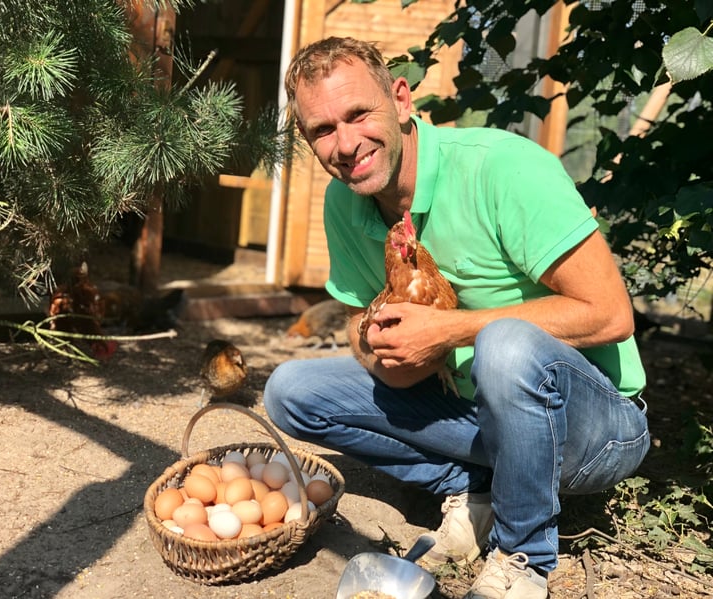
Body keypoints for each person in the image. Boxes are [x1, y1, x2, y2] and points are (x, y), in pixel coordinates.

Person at [263, 36, 649, 599]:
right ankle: (475, 491)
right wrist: (382, 351)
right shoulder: (345, 202)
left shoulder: (503, 170)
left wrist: (448, 331)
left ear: (400, 101)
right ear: (307, 139)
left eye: (357, 114)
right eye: (323, 130)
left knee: (507, 345)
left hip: (594, 428)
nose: (345, 144)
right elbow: (355, 317)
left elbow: (611, 315)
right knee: (290, 391)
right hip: (478, 411)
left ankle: (523, 558)